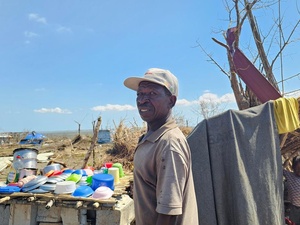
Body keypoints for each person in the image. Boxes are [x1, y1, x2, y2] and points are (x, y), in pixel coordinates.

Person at [124, 68, 198, 225]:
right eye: (140, 94)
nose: (142, 100)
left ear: (171, 101)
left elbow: (168, 214)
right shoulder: (151, 137)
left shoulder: (169, 143)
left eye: (152, 94)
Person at [284, 156, 300, 225]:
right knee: (294, 221)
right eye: (298, 168)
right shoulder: (290, 176)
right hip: (294, 205)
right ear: (294, 168)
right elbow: (282, 171)